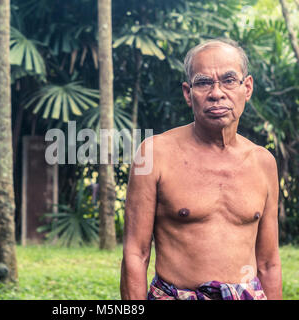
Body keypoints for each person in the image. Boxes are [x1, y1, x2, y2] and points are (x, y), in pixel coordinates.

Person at [120, 39, 283, 300]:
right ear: (188, 93)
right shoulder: (154, 154)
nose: (217, 93)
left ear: (247, 87)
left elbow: (268, 263)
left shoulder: (263, 162)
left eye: (229, 80)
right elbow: (135, 254)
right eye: (204, 82)